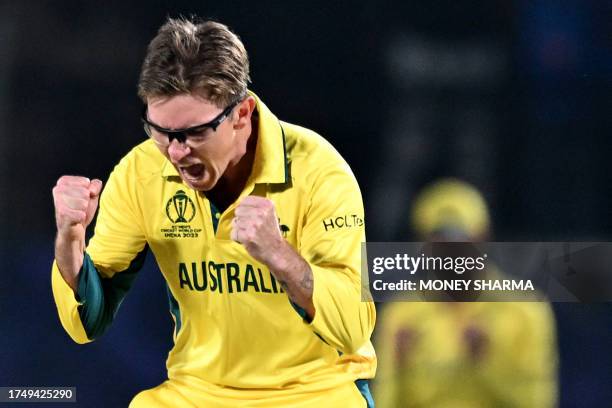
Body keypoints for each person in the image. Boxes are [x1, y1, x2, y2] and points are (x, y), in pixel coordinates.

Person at [51, 17, 376, 408]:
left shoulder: (320, 170)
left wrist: (281, 256)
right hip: (198, 394)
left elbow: (353, 329)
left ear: (242, 114)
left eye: (193, 133)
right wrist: (69, 239)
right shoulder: (142, 173)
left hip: (313, 393)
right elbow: (86, 324)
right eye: (159, 131)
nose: (175, 152)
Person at [374, 179, 558, 408]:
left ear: (483, 239)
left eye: (461, 240)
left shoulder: (526, 311)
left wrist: (489, 361)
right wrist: (397, 368)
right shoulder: (400, 313)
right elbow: (384, 401)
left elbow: (538, 401)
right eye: (438, 242)